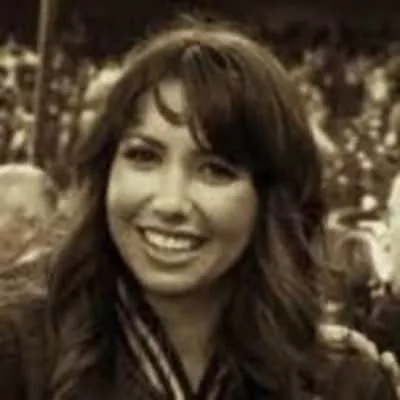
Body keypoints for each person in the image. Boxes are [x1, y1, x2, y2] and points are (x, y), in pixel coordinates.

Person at [0, 17, 397, 400]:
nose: (170, 202)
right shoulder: (17, 354)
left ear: (270, 198)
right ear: (105, 172)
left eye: (215, 170)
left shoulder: (344, 384)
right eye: (143, 156)